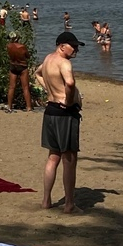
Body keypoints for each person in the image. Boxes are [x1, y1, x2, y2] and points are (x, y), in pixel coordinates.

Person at [35, 31, 85, 214]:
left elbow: (37, 73)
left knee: (53, 157)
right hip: (65, 114)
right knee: (69, 159)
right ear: (62, 46)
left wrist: (49, 89)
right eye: (74, 46)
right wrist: (69, 101)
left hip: (50, 111)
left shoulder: (48, 59)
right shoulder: (64, 63)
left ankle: (46, 200)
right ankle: (69, 203)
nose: (76, 50)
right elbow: (70, 83)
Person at [6, 31, 33, 112]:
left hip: (13, 66)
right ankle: (28, 107)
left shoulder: (8, 46)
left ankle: (9, 106)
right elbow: (27, 56)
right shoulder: (22, 47)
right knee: (25, 88)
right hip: (22, 67)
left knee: (11, 87)